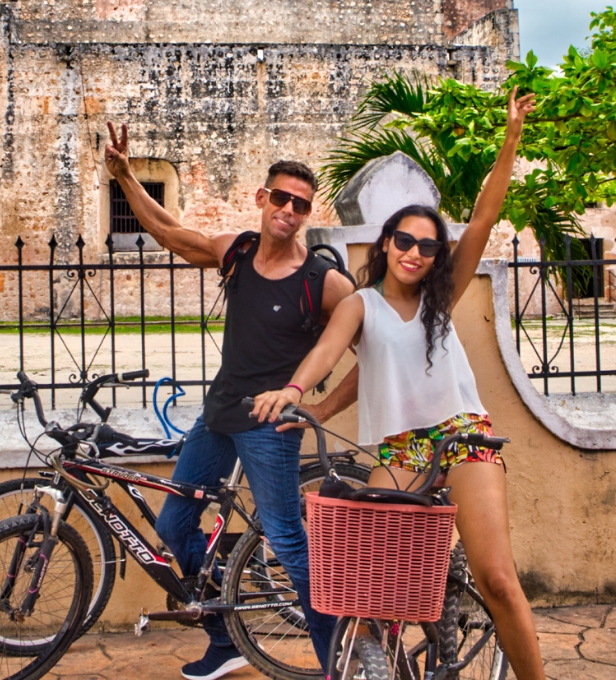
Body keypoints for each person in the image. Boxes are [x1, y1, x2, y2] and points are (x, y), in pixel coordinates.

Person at [253, 87, 547, 680]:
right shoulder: (360, 304)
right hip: (400, 446)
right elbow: (330, 353)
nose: (415, 252)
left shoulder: (443, 300)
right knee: (372, 585)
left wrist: (512, 137)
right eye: (405, 241)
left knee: (498, 578)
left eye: (427, 246)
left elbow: (487, 216)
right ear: (385, 243)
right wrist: (294, 392)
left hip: (463, 434)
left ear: (437, 255)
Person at [105, 122, 356, 680]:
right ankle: (226, 638)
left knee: (291, 547)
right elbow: (171, 232)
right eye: (282, 198)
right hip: (218, 418)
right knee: (173, 528)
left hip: (271, 428)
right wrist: (124, 177)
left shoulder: (323, 281)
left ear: (307, 213)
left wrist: (319, 409)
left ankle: (341, 666)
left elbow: (376, 352)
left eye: (302, 204)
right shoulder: (237, 253)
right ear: (261, 198)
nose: (289, 210)